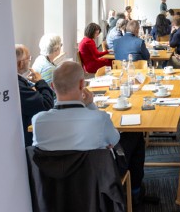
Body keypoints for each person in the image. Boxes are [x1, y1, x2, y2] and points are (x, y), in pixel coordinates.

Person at [32, 62, 158, 206]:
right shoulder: (98, 119)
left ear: (52, 87)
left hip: (54, 186)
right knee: (134, 135)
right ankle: (135, 192)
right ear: (82, 85)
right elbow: (115, 141)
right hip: (96, 181)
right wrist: (91, 105)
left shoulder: (38, 121)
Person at [15, 44, 54, 147]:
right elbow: (46, 104)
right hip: (26, 140)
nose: (30, 61)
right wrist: (40, 81)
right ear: (20, 64)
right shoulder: (17, 86)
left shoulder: (17, 81)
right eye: (29, 58)